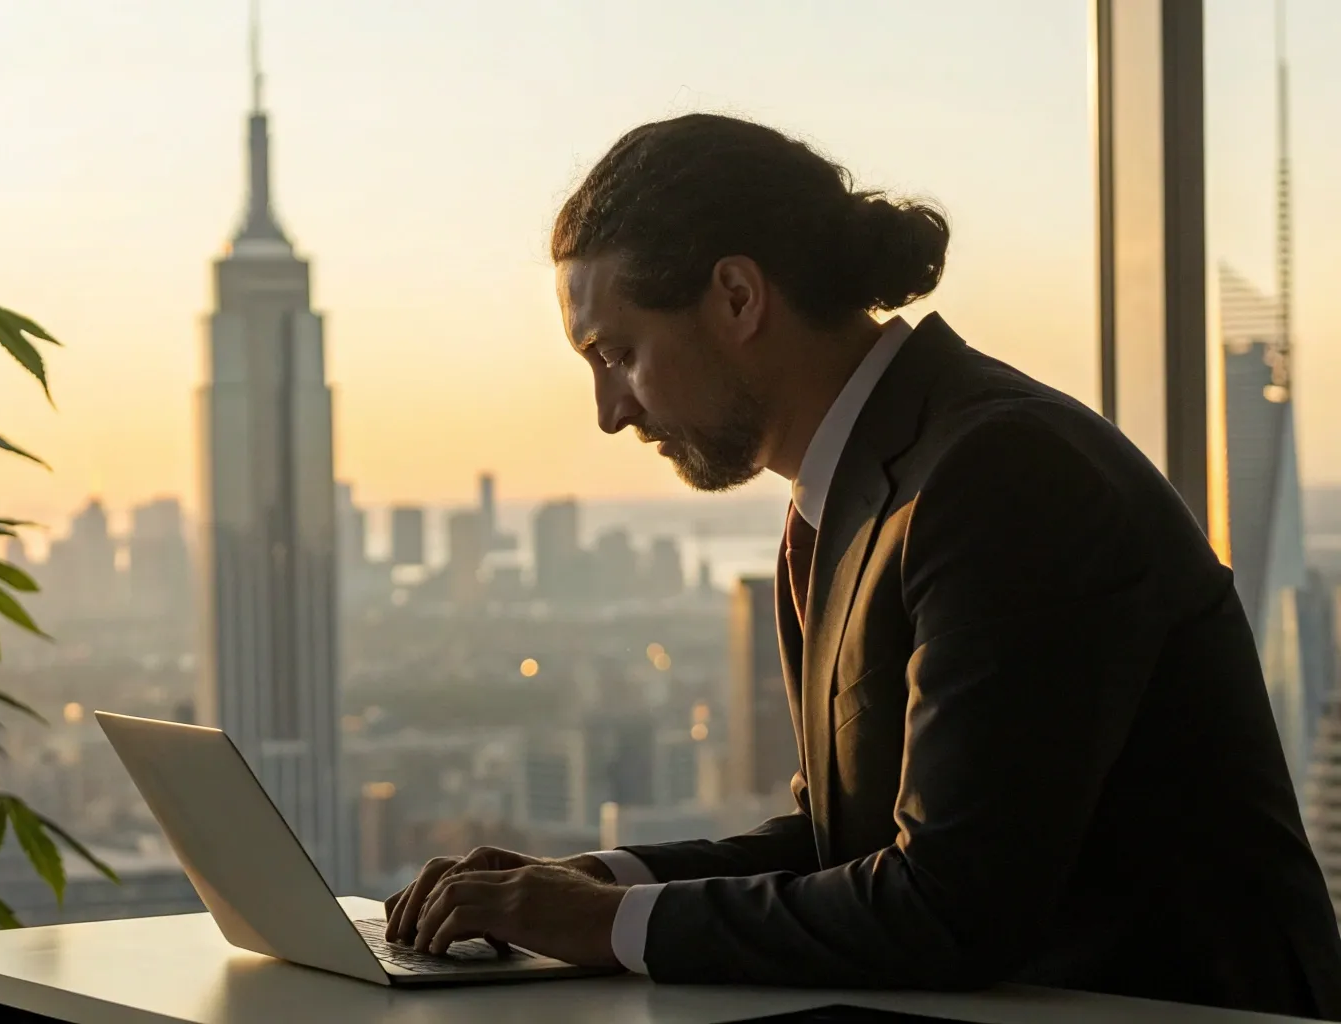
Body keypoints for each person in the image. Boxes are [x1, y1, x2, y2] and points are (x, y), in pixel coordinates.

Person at [383, 113, 1341, 1020]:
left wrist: (599, 926)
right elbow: (845, 844)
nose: (609, 410)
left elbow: (948, 905)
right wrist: (597, 881)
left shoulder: (1000, 478)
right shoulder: (865, 490)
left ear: (738, 298)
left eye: (618, 353)